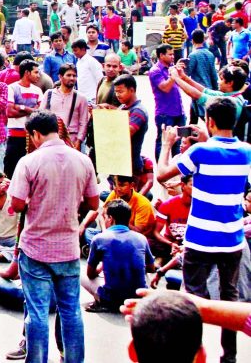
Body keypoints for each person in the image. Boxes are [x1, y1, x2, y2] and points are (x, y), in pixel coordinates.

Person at [155, 98, 251, 363]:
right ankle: (228, 357)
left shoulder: (199, 153)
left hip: (201, 238)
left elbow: (163, 175)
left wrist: (166, 145)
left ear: (209, 121)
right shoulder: (246, 151)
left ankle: (192, 354)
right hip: (233, 238)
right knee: (230, 297)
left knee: (192, 298)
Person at [8, 110, 99, 363]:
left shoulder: (29, 162)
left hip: (35, 247)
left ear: (35, 134)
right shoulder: (82, 160)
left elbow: (16, 204)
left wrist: (34, 202)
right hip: (68, 247)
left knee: (36, 314)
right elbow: (93, 202)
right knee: (71, 311)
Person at [81, 200, 155, 313]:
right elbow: (151, 268)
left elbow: (90, 274)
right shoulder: (141, 238)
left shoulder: (99, 238)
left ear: (110, 218)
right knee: (143, 272)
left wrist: (102, 266)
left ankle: (101, 300)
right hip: (138, 297)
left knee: (80, 274)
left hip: (111, 299)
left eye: (105, 217)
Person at [4, 60, 43, 177]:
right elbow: (9, 112)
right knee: (12, 169)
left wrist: (21, 107)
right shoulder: (12, 88)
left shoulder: (37, 90)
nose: (38, 75)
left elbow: (40, 112)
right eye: (35, 72)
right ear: (27, 73)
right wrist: (31, 110)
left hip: (32, 137)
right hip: (15, 136)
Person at [149, 44, 186, 159]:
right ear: (161, 55)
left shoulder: (172, 68)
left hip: (179, 112)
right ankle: (161, 168)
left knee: (179, 141)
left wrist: (181, 74)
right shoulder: (155, 71)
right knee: (163, 142)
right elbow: (165, 87)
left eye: (173, 54)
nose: (173, 57)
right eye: (170, 54)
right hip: (165, 114)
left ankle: (177, 168)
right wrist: (173, 76)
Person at [41, 63, 90, 150]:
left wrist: (79, 141)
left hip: (72, 140)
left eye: (74, 76)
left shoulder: (81, 98)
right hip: (51, 139)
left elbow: (83, 122)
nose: (72, 78)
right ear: (60, 76)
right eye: (68, 75)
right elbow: (41, 116)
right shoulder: (49, 94)